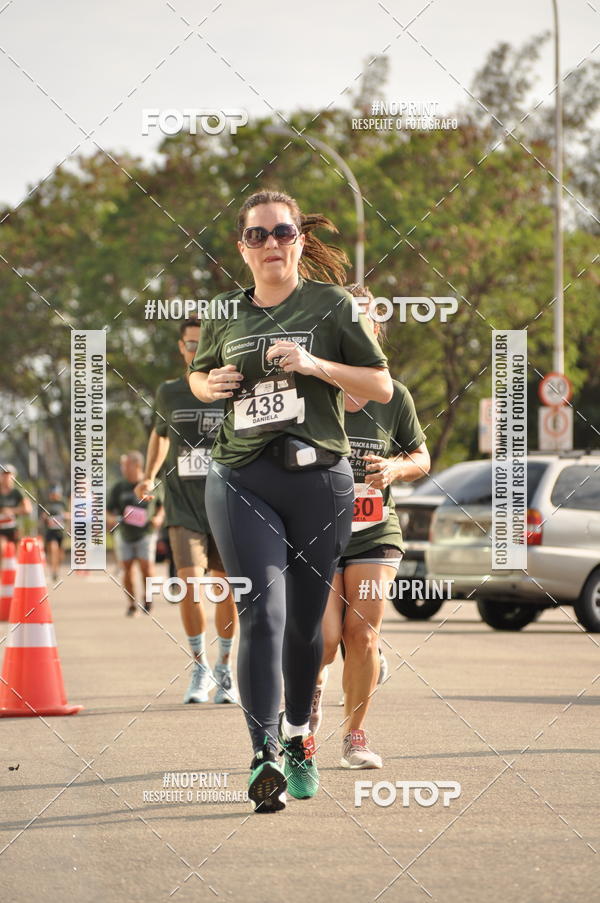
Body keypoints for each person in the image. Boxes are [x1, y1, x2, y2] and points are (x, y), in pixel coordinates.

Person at [188, 189, 393, 813]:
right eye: (258, 235)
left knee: (306, 626)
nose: (272, 244)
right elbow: (199, 376)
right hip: (241, 475)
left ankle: (302, 738)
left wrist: (312, 364)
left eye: (283, 233)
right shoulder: (224, 313)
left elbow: (380, 385)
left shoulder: (331, 305)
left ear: (299, 240)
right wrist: (209, 383)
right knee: (263, 613)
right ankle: (264, 753)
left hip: (317, 480)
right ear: (242, 248)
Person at [310, 284, 430, 769]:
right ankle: (309, 700)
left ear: (376, 332)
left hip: (375, 530)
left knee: (362, 636)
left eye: (365, 321)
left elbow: (420, 456)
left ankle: (354, 737)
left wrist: (396, 469)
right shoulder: (312, 390)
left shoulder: (393, 396)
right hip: (315, 529)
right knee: (325, 639)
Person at [134, 318, 240, 705]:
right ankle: (200, 667)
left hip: (227, 503)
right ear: (181, 347)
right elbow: (159, 436)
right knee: (190, 586)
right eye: (190, 344)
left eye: (202, 343)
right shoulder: (169, 393)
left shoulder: (232, 388)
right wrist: (148, 477)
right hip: (182, 504)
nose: (196, 350)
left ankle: (226, 668)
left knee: (225, 589)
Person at [107, 451, 164, 616]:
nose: (122, 468)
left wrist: (159, 518)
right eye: (121, 465)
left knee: (147, 568)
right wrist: (113, 519)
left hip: (146, 533)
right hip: (124, 533)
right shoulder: (119, 487)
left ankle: (148, 599)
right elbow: (108, 510)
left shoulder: (154, 484)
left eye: (125, 465)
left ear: (137, 465)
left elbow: (162, 506)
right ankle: (132, 603)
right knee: (128, 569)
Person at [0, 465, 32, 555]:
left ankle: (18, 568)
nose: (6, 477)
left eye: (9, 475)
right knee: (2, 549)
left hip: (15, 528)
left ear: (13, 477)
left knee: (18, 552)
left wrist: (12, 511)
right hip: (1, 529)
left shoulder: (18, 492)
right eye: (4, 474)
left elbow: (28, 509)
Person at [41, 484, 69, 582]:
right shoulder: (47, 504)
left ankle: (57, 569)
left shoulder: (63, 503)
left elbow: (70, 515)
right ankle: (53, 571)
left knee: (61, 554)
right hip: (50, 531)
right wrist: (45, 518)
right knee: (53, 549)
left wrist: (65, 516)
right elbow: (43, 516)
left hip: (60, 532)